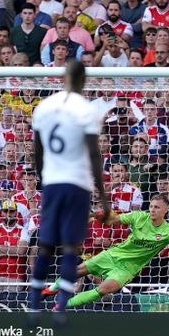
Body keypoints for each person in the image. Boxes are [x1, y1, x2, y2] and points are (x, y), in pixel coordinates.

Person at [28, 60, 107, 316]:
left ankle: (33, 305)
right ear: (84, 79)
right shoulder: (86, 109)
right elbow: (95, 155)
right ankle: (60, 306)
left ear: (63, 77)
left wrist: (45, 177)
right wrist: (103, 198)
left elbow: (36, 151)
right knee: (71, 247)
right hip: (77, 183)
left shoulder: (44, 106)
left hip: (52, 182)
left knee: (46, 246)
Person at [41, 194, 169, 308]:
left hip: (128, 268)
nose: (153, 210)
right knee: (77, 271)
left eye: (157, 207)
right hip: (113, 255)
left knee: (104, 290)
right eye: (151, 206)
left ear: (165, 210)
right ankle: (49, 290)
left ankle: (63, 306)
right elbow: (113, 219)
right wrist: (97, 215)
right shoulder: (138, 217)